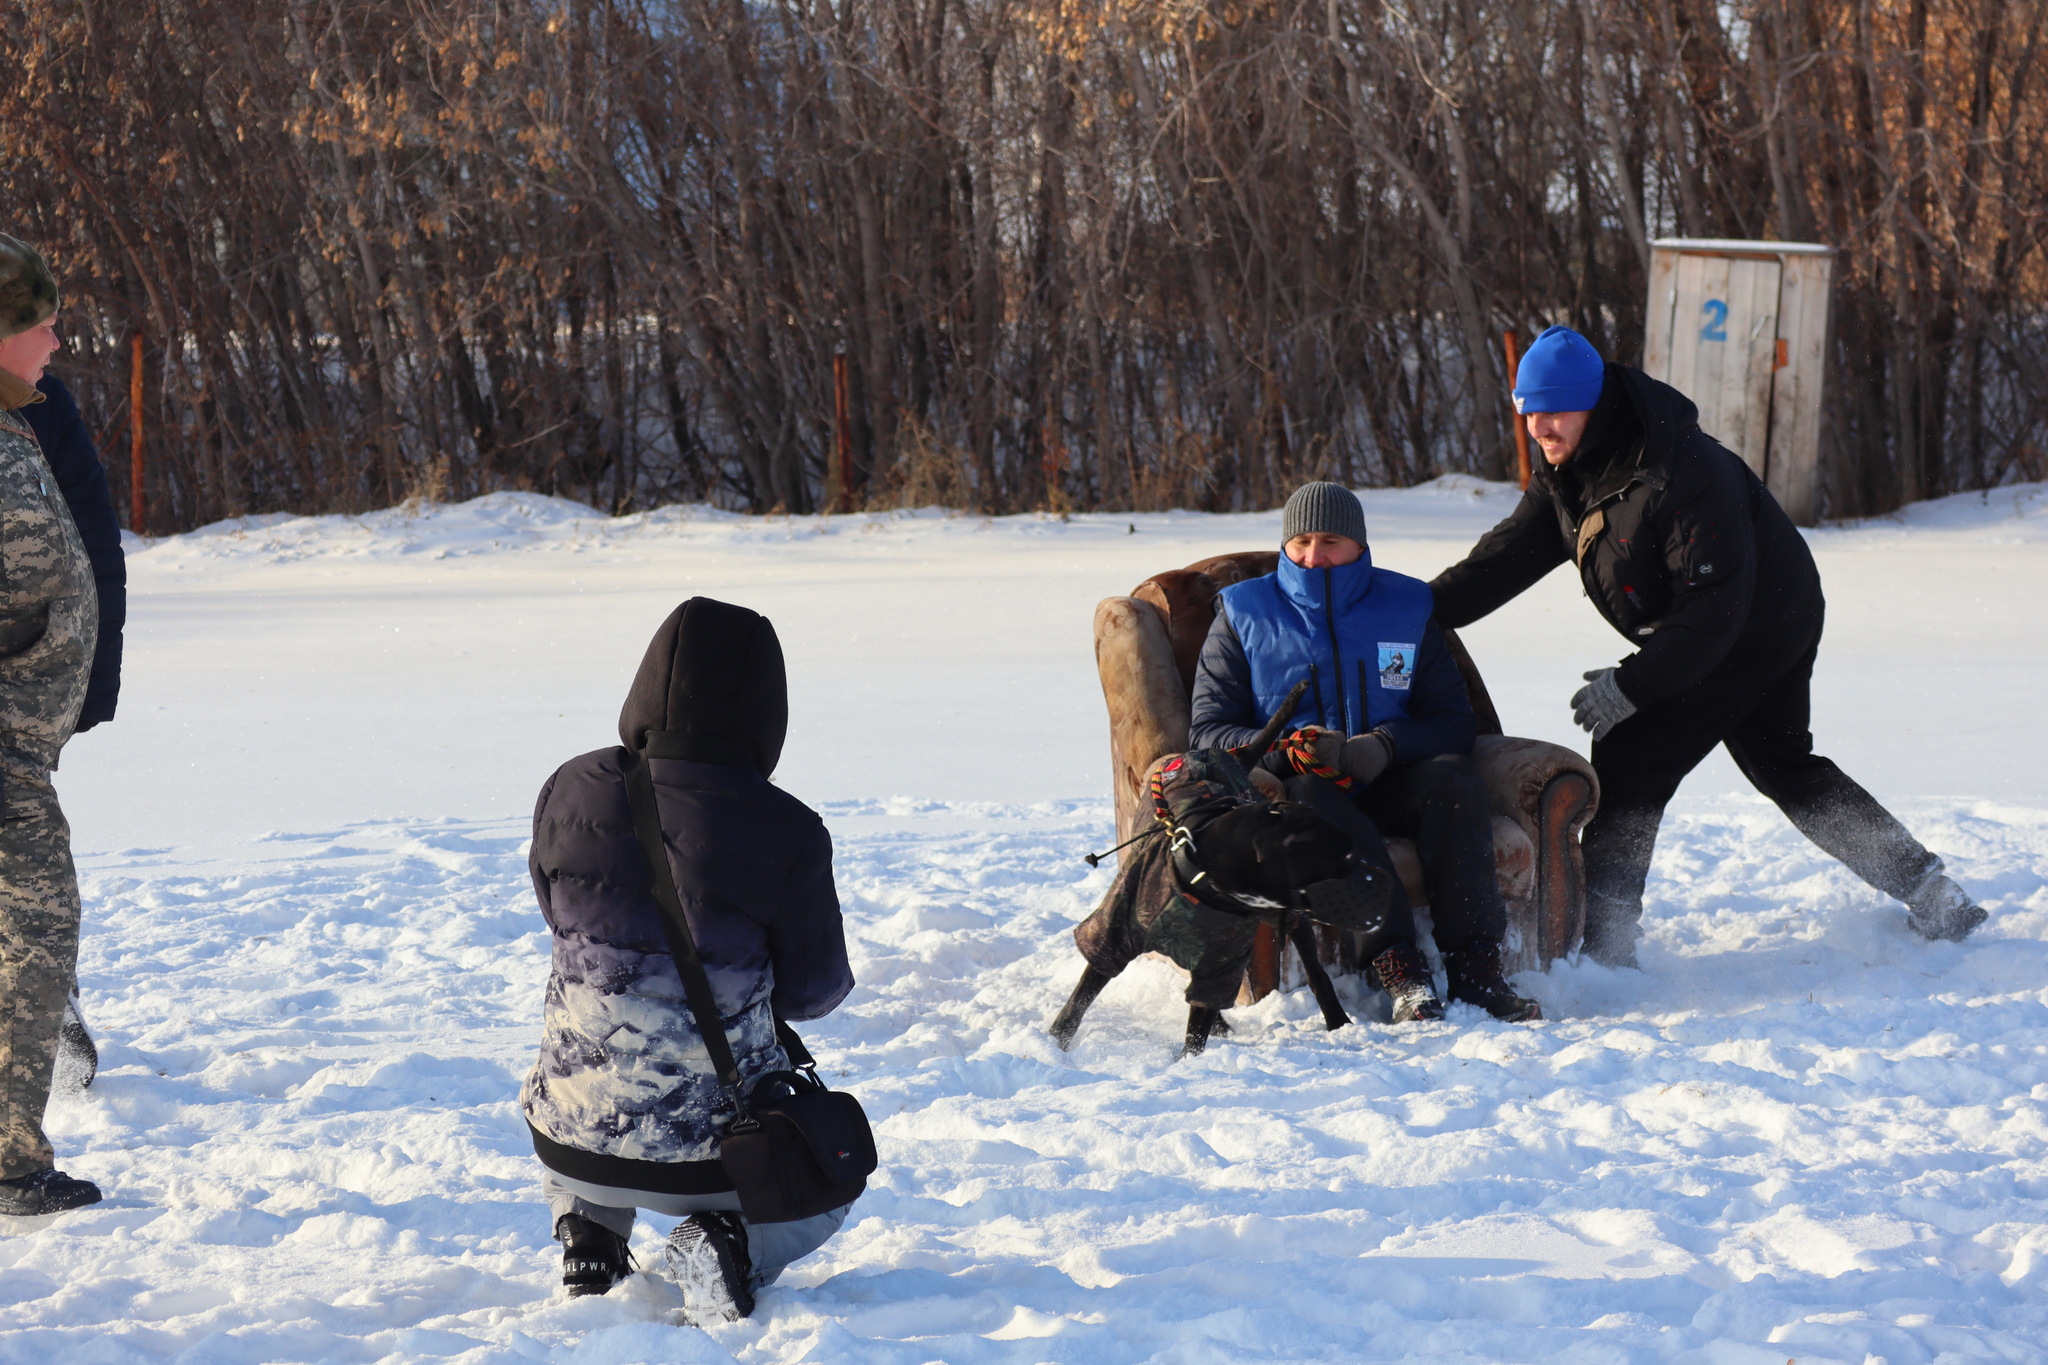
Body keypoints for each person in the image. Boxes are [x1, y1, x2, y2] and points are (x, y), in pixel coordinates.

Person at [1429, 325, 1986, 966]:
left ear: (1596, 402)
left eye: (1554, 411)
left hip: (1756, 624)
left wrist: (1632, 684)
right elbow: (1503, 560)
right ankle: (1930, 889)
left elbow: (1713, 614)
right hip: (1724, 623)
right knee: (1784, 765)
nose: (1540, 428)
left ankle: (1607, 945)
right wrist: (1414, 610)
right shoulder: (1570, 473)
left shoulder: (1680, 471)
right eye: (1529, 412)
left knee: (1631, 750)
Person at [521, 597, 855, 1320]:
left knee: (592, 1060)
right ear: (768, 711)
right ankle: (729, 1244)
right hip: (715, 1159)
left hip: (571, 1139)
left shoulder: (568, 788)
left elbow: (556, 915)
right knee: (839, 1172)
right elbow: (814, 991)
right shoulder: (788, 830)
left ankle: (588, 1231)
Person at [1188, 481, 1540, 1023]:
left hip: (1391, 778)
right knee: (1309, 791)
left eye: (1330, 540)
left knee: (1454, 776)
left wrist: (1385, 745)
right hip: (1301, 791)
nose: (1314, 555)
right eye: (1301, 541)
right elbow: (1208, 731)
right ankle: (1399, 968)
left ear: (1359, 544)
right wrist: (1287, 752)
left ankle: (1477, 969)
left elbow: (1453, 720)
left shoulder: (1407, 604)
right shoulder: (1242, 611)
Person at [0, 235, 104, 1217]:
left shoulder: (19, 423)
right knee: (33, 934)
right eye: (39, 323)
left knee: (33, 936)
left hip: (18, 751)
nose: (56, 338)